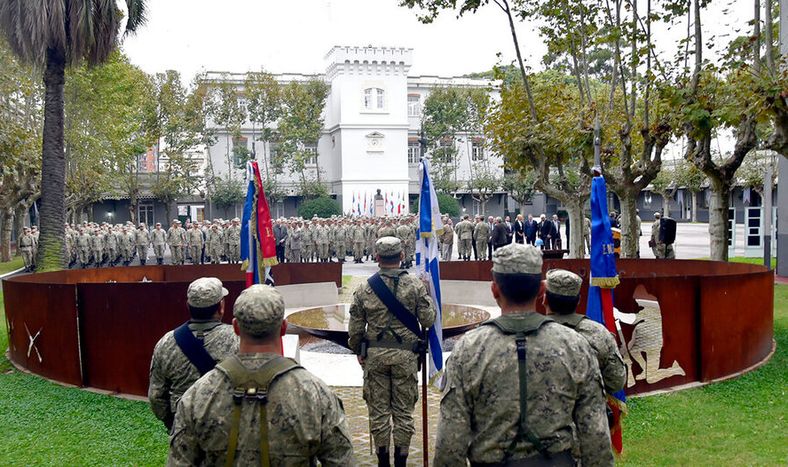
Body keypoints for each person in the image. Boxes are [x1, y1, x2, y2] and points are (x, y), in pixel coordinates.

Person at [433, 243, 613, 466]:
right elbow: (596, 436)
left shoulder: (468, 349)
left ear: (494, 290)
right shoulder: (575, 346)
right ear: (540, 291)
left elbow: (449, 445)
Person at [168, 284, 354, 466]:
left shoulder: (196, 396)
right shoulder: (315, 394)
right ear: (283, 328)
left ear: (236, 328)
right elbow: (341, 460)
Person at [348, 237, 436, 467]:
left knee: (378, 412)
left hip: (375, 358)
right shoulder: (416, 285)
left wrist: (358, 349)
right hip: (406, 359)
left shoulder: (364, 288)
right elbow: (428, 320)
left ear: (377, 258)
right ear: (401, 257)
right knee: (403, 412)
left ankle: (383, 461)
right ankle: (401, 461)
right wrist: (428, 296)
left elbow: (356, 328)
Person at [148, 277, 238, 431]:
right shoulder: (238, 339)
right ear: (221, 307)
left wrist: (173, 424)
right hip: (226, 428)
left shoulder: (166, 342)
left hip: (183, 426)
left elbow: (156, 396)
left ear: (188, 306)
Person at [543, 269, 626, 394]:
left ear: (545, 300)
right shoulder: (598, 333)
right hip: (590, 410)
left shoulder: (531, 332)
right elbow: (616, 381)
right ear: (578, 301)